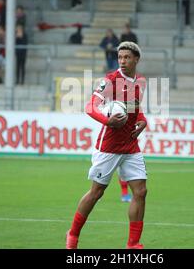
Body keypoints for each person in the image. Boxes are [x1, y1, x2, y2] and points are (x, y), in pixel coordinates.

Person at [66, 41, 148, 249]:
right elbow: (90, 106)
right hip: (109, 146)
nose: (122, 61)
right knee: (96, 192)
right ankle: (73, 235)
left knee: (140, 191)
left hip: (130, 144)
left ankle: (133, 244)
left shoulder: (141, 82)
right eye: (120, 57)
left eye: (127, 57)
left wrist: (142, 121)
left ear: (136, 59)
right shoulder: (110, 81)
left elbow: (135, 110)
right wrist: (107, 120)